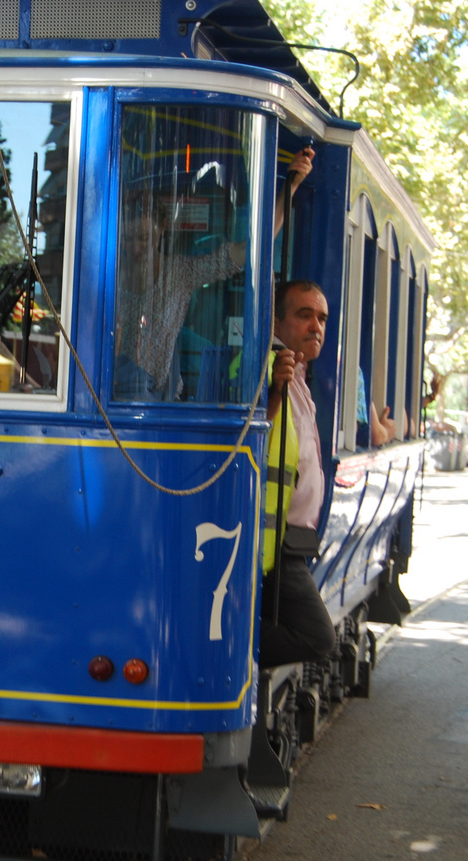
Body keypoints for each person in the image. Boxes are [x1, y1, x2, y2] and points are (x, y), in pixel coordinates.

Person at [114, 147, 314, 401]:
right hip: (113, 394)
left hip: (160, 400)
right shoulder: (113, 275)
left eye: (144, 237)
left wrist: (291, 187)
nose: (136, 248)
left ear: (162, 227)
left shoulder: (179, 273)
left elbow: (250, 251)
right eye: (128, 239)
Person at [258, 279, 337, 667]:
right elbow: (250, 434)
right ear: (276, 320)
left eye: (321, 318)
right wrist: (272, 388)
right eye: (304, 315)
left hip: (288, 543)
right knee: (317, 637)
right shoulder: (265, 368)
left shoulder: (299, 379)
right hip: (271, 545)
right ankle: (222, 647)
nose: (316, 326)